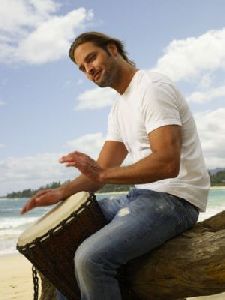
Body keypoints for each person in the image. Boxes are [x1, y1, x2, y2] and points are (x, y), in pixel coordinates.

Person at [21, 32, 210, 300]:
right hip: (140, 198)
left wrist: (103, 173)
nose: (89, 70)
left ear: (112, 50)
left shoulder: (152, 87)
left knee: (90, 259)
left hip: (174, 202)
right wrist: (61, 194)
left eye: (91, 58)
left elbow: (168, 162)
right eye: (83, 68)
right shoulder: (119, 108)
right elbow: (100, 172)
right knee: (61, 239)